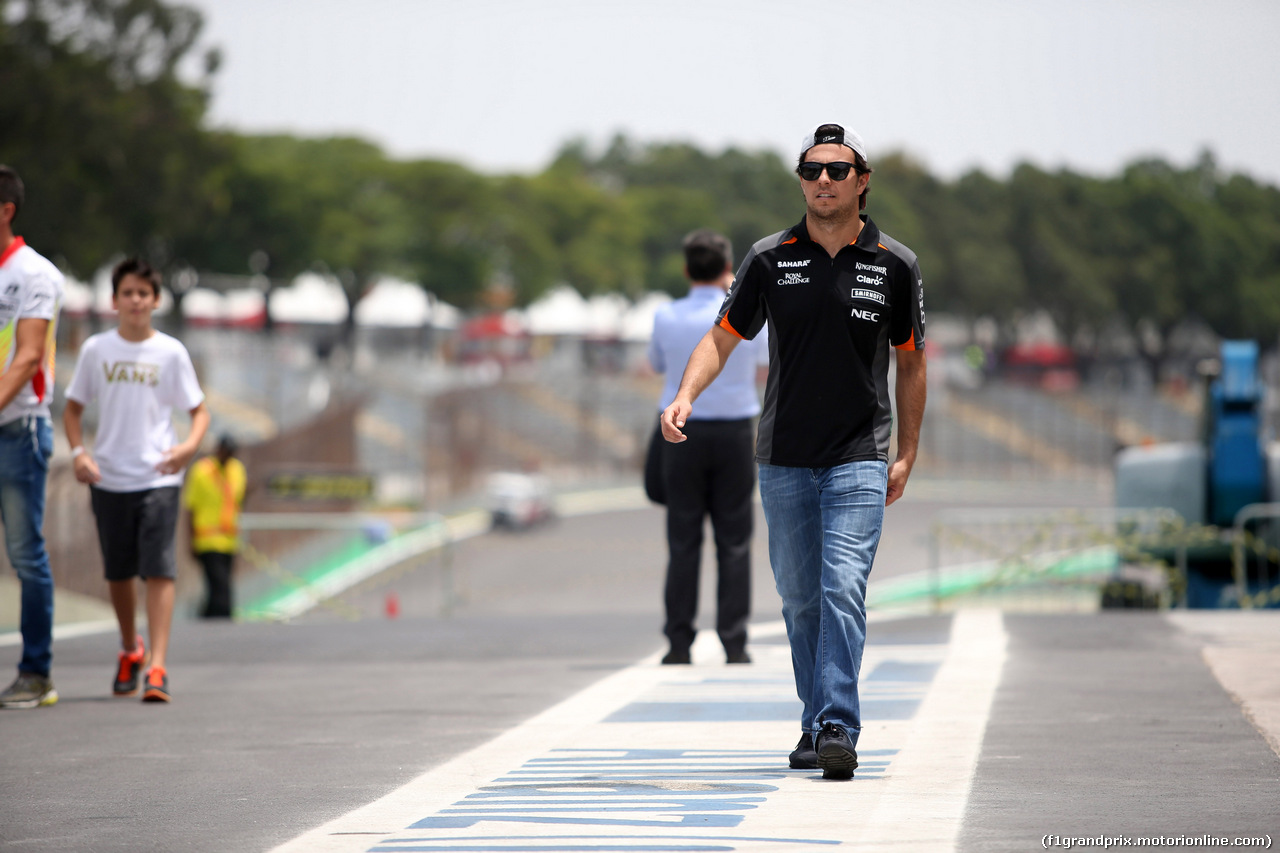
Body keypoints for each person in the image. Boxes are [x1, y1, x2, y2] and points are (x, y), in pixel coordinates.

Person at [661, 124, 926, 779]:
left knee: (842, 587)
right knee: (801, 600)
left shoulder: (895, 262)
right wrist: (684, 395)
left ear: (862, 180)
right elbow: (722, 338)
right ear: (801, 181)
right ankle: (815, 722)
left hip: (860, 454)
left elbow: (912, 364)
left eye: (837, 171)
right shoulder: (769, 257)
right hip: (782, 457)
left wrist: (908, 450)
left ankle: (837, 722)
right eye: (812, 171)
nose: (824, 182)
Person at [64, 257, 210, 703]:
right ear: (114, 300)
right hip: (108, 476)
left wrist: (187, 449)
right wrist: (78, 454)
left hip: (159, 476)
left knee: (159, 568)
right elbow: (73, 409)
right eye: (127, 293)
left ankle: (159, 666)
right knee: (119, 572)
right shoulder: (97, 350)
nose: (135, 301)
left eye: (143, 294)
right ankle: (131, 648)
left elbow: (198, 411)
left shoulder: (170, 352)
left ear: (155, 301)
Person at [649, 229, 767, 665]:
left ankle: (679, 643)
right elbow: (760, 360)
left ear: (685, 270)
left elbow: (659, 363)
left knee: (683, 539)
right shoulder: (746, 311)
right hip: (735, 429)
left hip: (679, 427)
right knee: (734, 540)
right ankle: (734, 641)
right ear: (725, 269)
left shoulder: (665, 315)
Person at [0, 166, 64, 710]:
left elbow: (25, 359)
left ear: (6, 210)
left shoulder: (32, 274)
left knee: (25, 554)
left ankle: (36, 673)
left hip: (19, 432)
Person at [184, 433, 246, 619]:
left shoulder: (237, 470)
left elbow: (237, 502)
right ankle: (222, 619)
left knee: (219, 585)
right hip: (207, 540)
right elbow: (191, 508)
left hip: (229, 540)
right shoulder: (201, 471)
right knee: (221, 586)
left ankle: (208, 617)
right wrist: (191, 539)